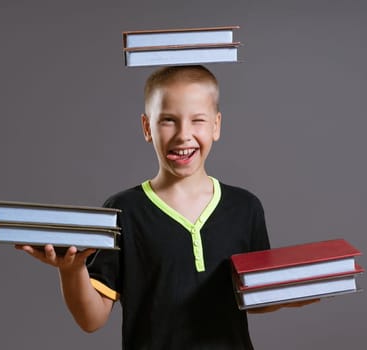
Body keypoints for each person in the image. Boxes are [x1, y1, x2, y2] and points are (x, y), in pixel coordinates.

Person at [16, 65, 314, 349]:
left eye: (197, 120)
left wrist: (296, 292)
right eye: (168, 119)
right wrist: (72, 270)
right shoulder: (123, 212)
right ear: (147, 127)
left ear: (216, 126)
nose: (183, 134)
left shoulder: (245, 207)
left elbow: (252, 299)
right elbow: (91, 320)